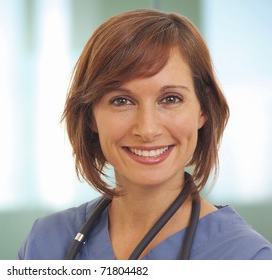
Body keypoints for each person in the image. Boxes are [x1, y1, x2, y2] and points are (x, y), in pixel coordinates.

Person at [17, 9, 272, 260]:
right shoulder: (45, 243)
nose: (147, 130)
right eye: (121, 101)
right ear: (90, 116)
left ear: (203, 110)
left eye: (171, 99)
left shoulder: (245, 257)